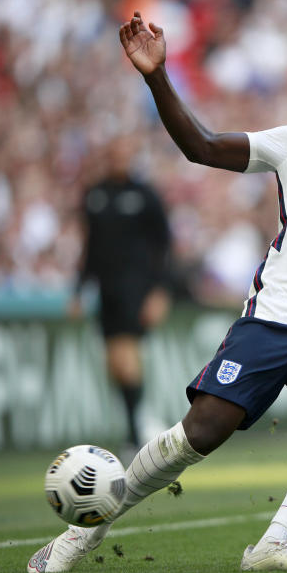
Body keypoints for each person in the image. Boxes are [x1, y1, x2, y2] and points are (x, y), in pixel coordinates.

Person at [28, 11, 287, 573]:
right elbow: (200, 146)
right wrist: (156, 77)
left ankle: (270, 544)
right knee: (198, 435)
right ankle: (82, 534)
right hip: (271, 320)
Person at [69, 136, 173, 460]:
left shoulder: (145, 195)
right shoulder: (94, 195)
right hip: (106, 290)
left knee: (126, 357)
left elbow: (165, 246)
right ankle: (137, 424)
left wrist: (160, 290)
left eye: (123, 153)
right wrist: (78, 290)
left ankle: (135, 433)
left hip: (136, 288)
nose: (117, 158)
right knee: (114, 364)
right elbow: (89, 248)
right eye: (112, 152)